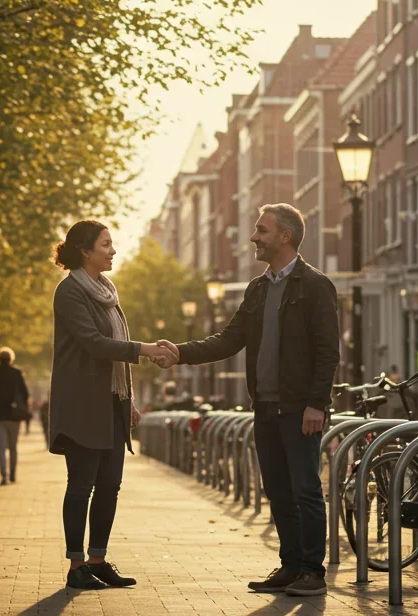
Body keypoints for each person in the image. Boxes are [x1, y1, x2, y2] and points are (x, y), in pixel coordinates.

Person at [154, 204, 339, 598]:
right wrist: (179, 352)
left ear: (285, 236)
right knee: (276, 487)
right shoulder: (258, 288)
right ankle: (291, 566)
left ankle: (312, 571)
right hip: (265, 407)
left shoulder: (314, 285)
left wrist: (316, 404)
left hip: (298, 408)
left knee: (306, 488)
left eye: (262, 230)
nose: (254, 237)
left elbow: (328, 351)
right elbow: (227, 339)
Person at [49, 219, 178, 591]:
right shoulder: (70, 292)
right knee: (81, 486)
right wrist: (145, 349)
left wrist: (130, 401)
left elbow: (114, 355)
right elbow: (94, 343)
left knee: (109, 486)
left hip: (111, 402)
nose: (113, 251)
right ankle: (76, 567)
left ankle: (98, 560)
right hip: (82, 404)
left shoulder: (107, 290)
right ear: (85, 250)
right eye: (106, 244)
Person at [0, 347, 31, 485]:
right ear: (11, 359)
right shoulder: (16, 373)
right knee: (13, 447)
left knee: (1, 447)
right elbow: (25, 394)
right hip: (14, 416)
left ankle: (3, 476)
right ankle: (13, 474)